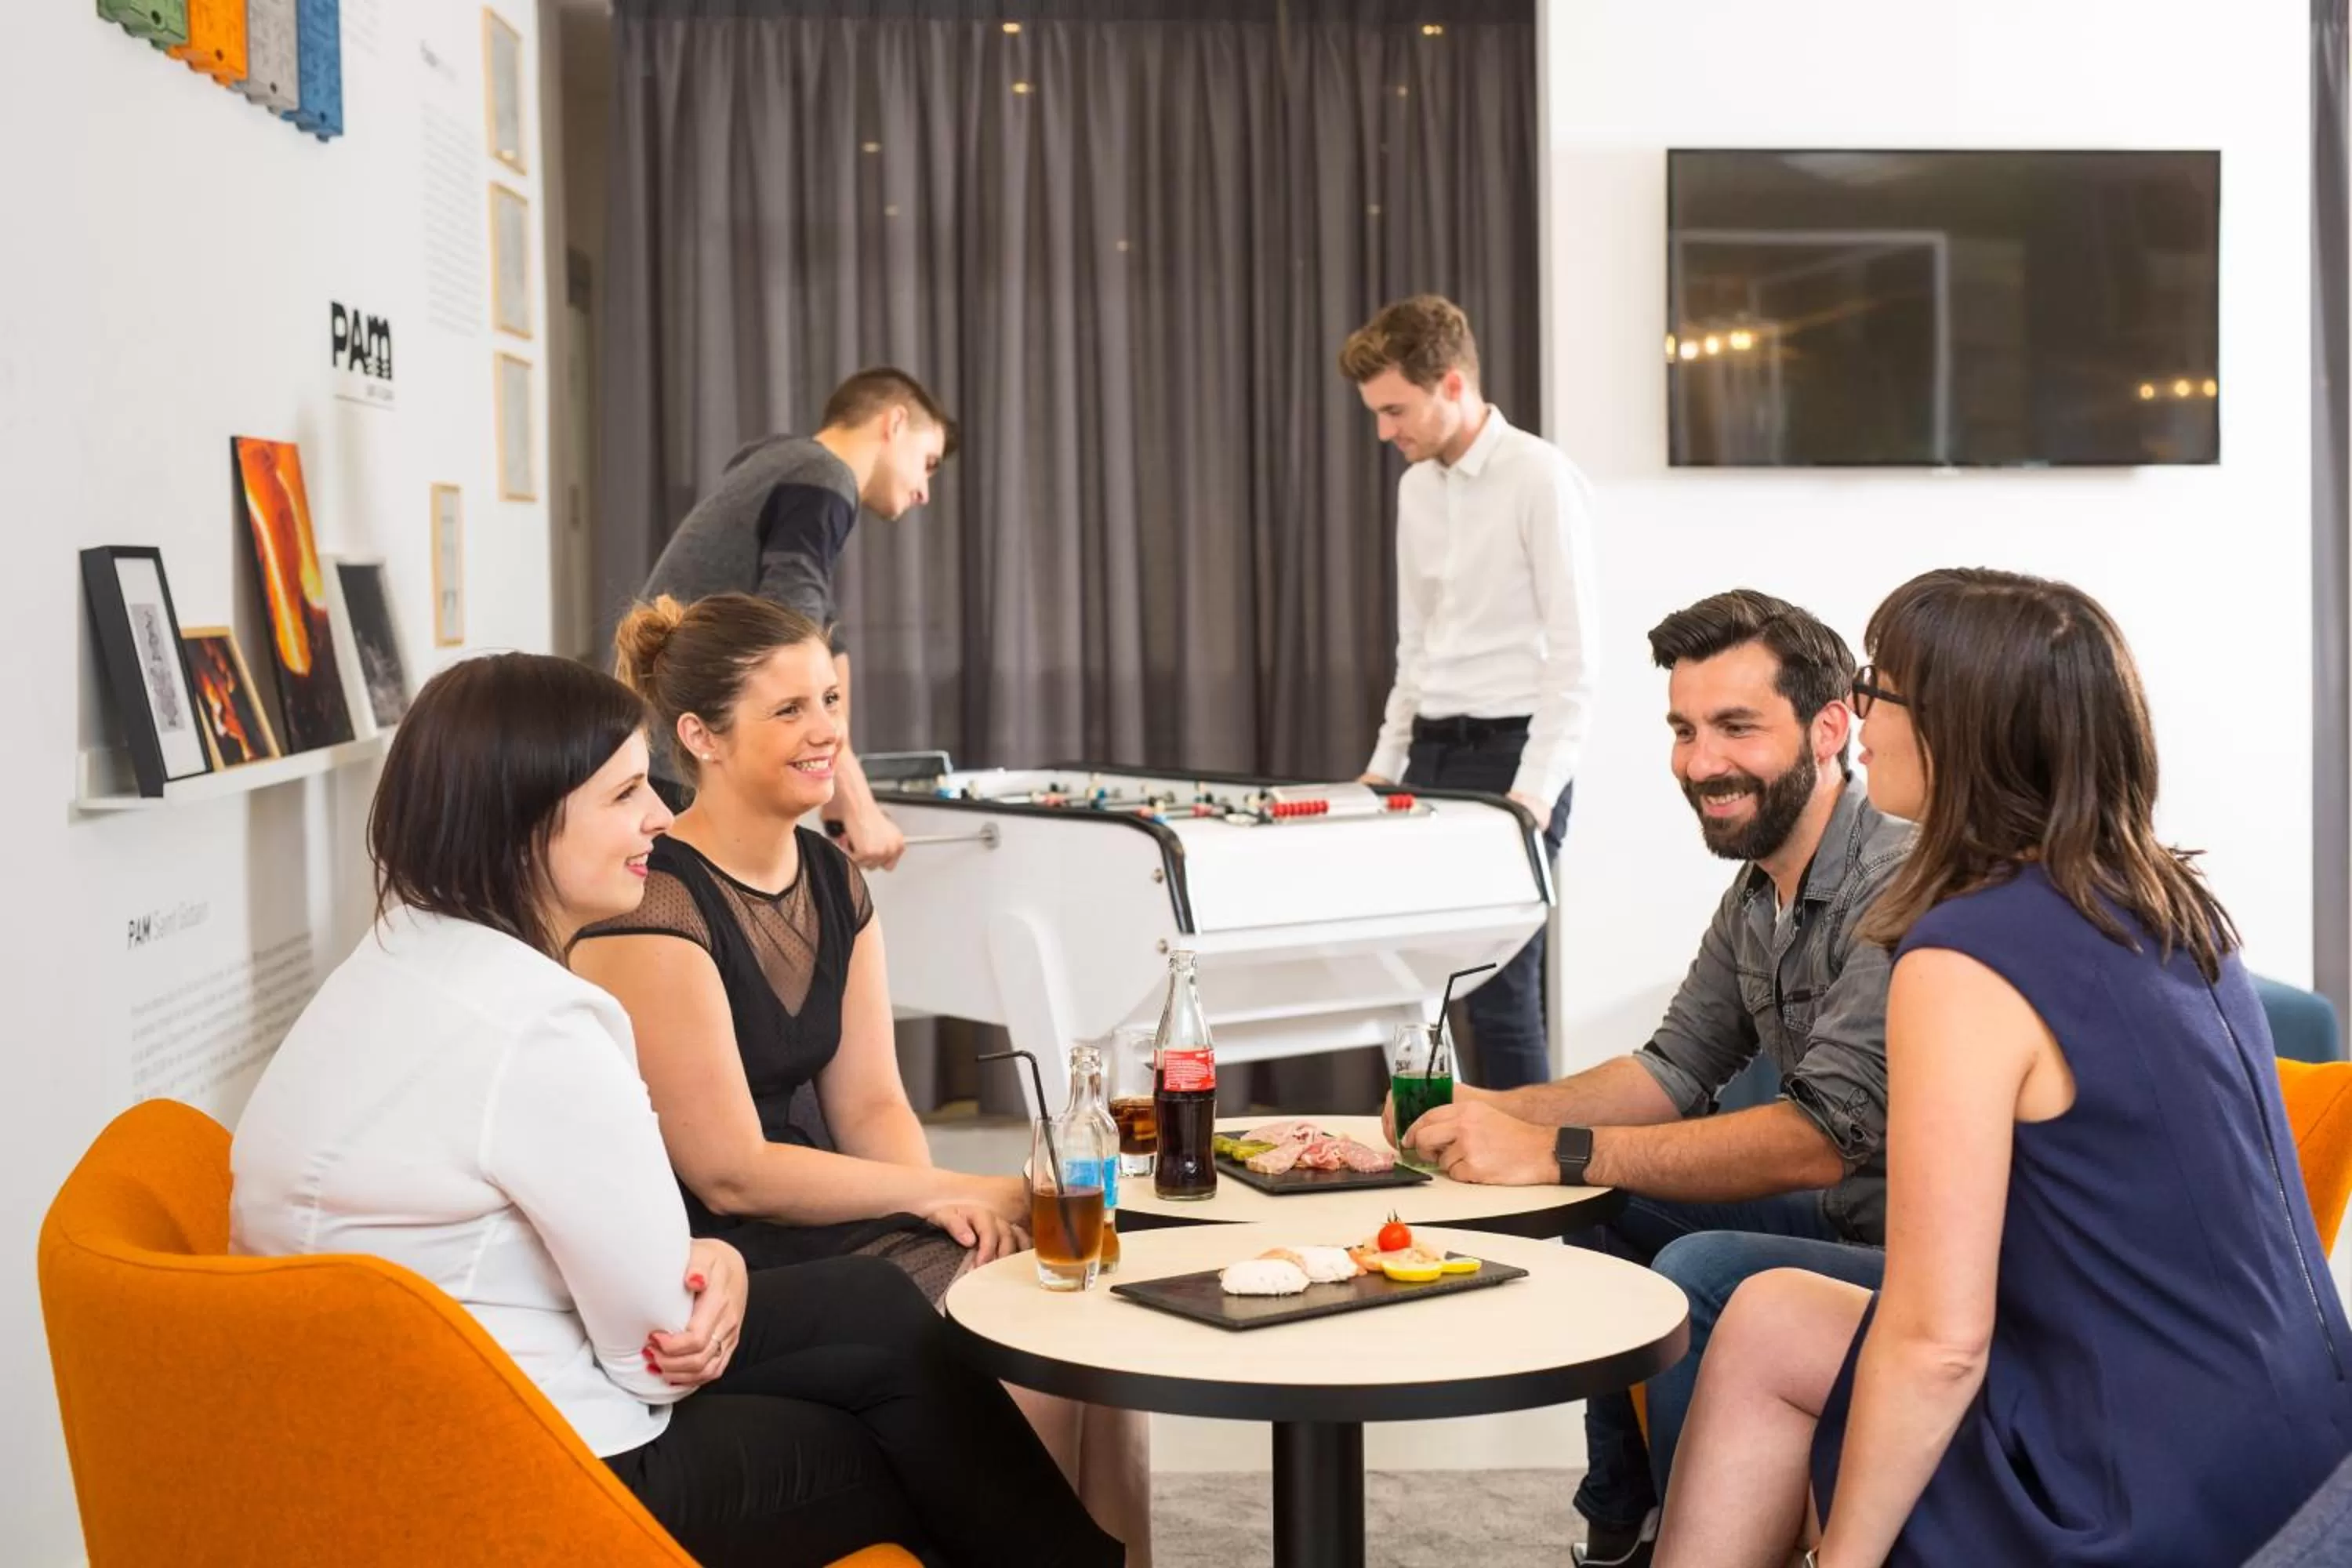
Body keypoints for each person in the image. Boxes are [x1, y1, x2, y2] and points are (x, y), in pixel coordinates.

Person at [229, 652, 1117, 1568]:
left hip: (385, 1411)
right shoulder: (542, 1027)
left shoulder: (388, 962)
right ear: (525, 827)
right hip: (533, 1460)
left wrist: (711, 1260)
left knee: (875, 1301)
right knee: (907, 1446)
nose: (658, 813)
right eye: (623, 796)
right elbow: (654, 1349)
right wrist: (712, 1264)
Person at [1656, 569, 2352, 1568]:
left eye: (1877, 688)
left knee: (1845, 1416)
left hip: (2135, 1478)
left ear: (1954, 729)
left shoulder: (1964, 955)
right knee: (1769, 1314)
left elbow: (1941, 1342)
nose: (1858, 715)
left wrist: (1841, 1559)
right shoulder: (2175, 906)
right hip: (2290, 1443)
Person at [572, 593, 1152, 1563]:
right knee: (1021, 1335)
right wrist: (949, 1188)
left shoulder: (834, 878)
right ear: (699, 736)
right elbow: (732, 1174)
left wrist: (948, 1213)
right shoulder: (655, 900)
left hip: (823, 1205)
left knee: (1081, 1314)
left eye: (831, 698)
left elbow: (874, 1102)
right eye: (789, 709)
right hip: (717, 1248)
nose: (826, 732)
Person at [1399, 590, 1909, 1568]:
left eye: (1735, 726)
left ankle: (1701, 1540)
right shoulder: (1761, 885)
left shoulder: (1898, 876)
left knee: (1697, 1269)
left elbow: (1814, 1136)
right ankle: (1620, 1529)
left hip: (1915, 1248)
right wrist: (1483, 1110)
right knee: (1604, 1200)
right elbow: (1672, 1068)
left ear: (1832, 725)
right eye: (1683, 728)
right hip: (1844, 1214)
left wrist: (1552, 1145)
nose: (1700, 761)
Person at [1342, 294, 1600, 1090]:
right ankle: (1423, 1162)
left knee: (1501, 999)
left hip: (1511, 758)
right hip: (1429, 755)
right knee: (1410, 991)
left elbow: (1576, 657)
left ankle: (1534, 1204)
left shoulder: (1541, 476)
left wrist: (1535, 793)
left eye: (1395, 409)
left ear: (1450, 384)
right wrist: (1384, 766)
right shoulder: (1415, 488)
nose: (1386, 432)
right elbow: (1413, 648)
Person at [639, 366, 960, 869]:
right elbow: (793, 641)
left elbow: (824, 639)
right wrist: (855, 801)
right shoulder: (823, 474)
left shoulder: (780, 466)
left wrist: (834, 791)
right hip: (680, 764)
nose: (924, 491)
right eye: (928, 463)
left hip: (668, 749)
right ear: (894, 423)